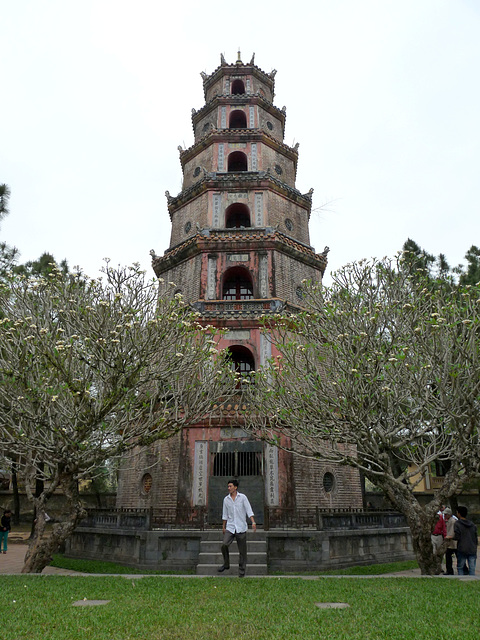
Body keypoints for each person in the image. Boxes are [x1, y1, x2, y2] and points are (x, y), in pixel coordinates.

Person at [218, 478, 256, 577]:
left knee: (242, 552)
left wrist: (253, 522)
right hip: (230, 527)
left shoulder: (242, 497)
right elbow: (224, 514)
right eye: (228, 486)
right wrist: (223, 527)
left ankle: (241, 572)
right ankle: (226, 564)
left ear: (235, 487)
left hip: (241, 527)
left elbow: (249, 510)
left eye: (230, 486)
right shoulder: (226, 499)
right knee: (224, 545)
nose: (228, 488)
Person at [454, 506, 478, 576]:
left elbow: (457, 536)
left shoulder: (457, 524)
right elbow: (475, 537)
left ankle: (461, 581)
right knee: (472, 568)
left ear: (459, 513)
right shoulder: (473, 525)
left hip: (462, 548)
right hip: (472, 548)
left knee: (460, 567)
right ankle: (472, 581)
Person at [443, 507, 457, 575]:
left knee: (457, 556)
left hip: (453, 542)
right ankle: (449, 570)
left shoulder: (453, 521)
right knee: (448, 557)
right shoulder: (448, 521)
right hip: (450, 543)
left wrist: (447, 537)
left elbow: (452, 533)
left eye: (445, 514)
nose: (445, 516)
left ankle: (463, 569)